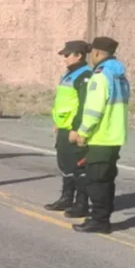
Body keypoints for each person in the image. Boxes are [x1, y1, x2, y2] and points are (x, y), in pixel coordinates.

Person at [72, 36, 130, 234]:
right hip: (114, 136)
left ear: (97, 53)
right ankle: (101, 217)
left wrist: (83, 132)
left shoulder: (100, 76)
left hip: (101, 136)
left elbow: (94, 110)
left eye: (92, 53)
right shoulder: (119, 75)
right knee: (106, 180)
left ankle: (100, 220)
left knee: (96, 181)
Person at [44, 40, 92, 216]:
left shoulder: (85, 76)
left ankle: (81, 203)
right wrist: (58, 123)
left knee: (78, 167)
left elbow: (84, 105)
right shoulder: (69, 74)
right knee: (65, 164)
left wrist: (76, 128)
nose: (64, 59)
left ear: (78, 55)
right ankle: (66, 198)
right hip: (64, 127)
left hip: (74, 128)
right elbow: (64, 101)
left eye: (67, 55)